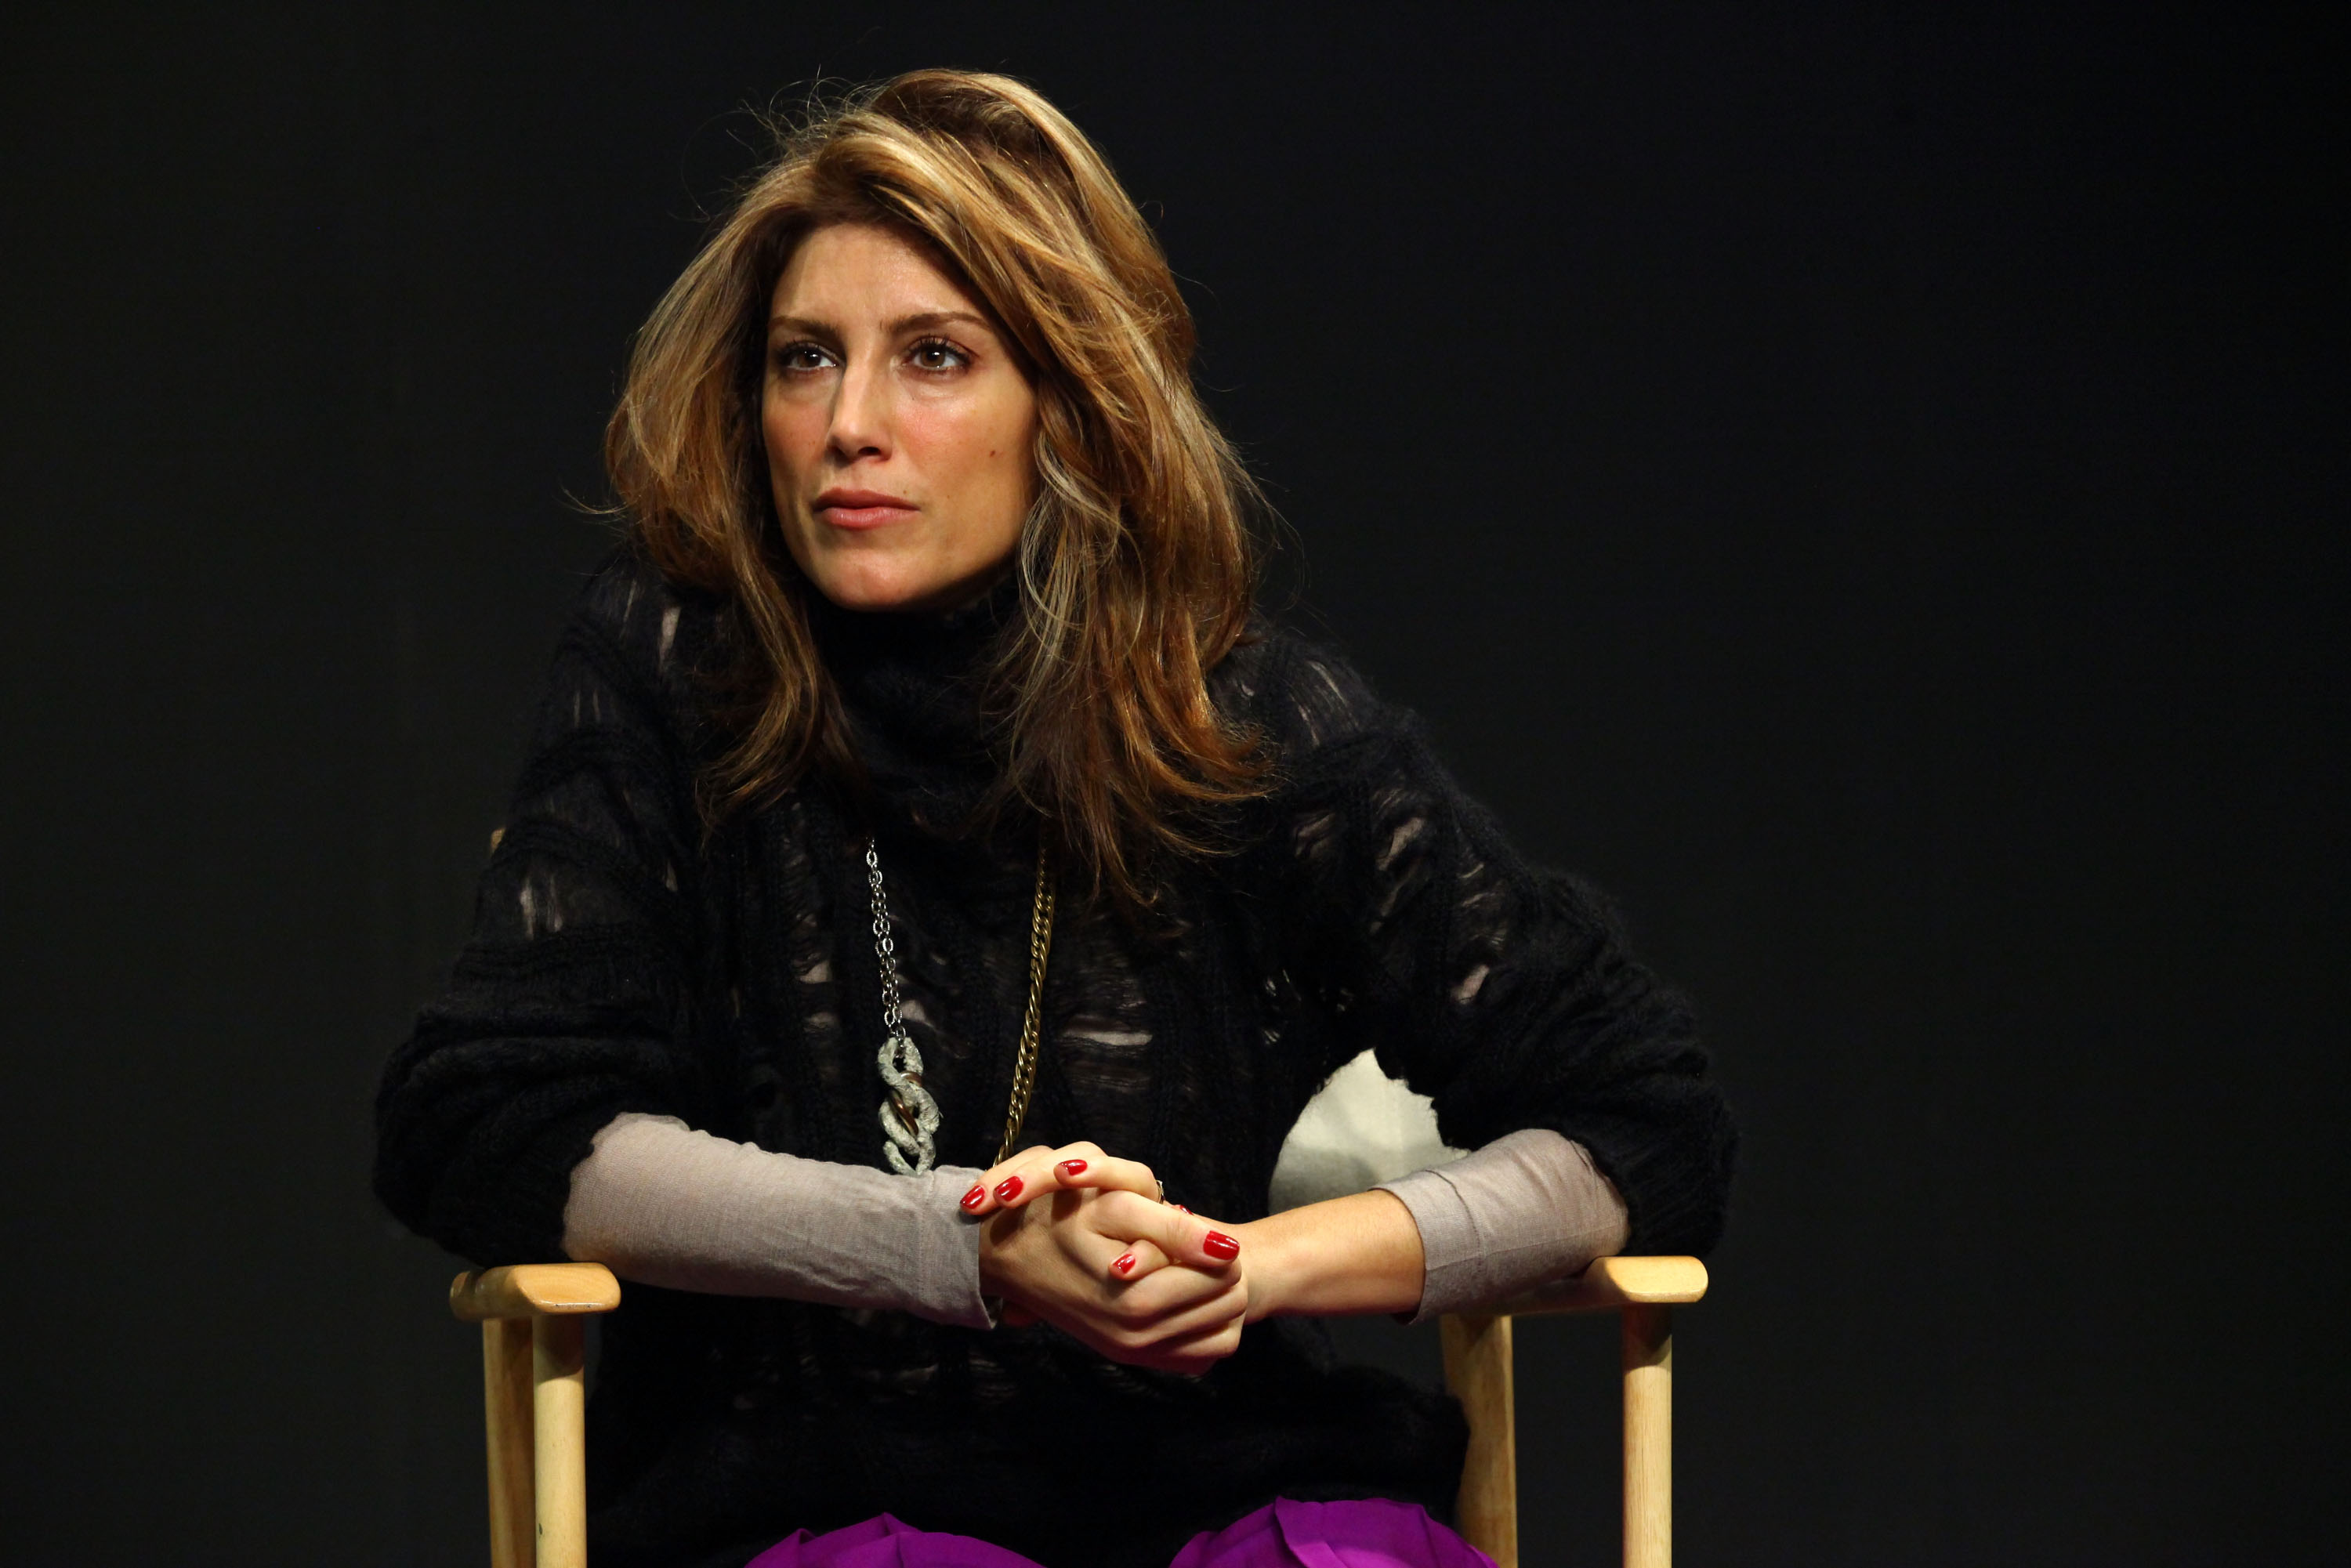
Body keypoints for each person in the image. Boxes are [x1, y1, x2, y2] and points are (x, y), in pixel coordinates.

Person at [374, 69, 1735, 1568]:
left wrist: (1258, 1266)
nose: (849, 424)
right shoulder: (676, 670)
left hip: (1206, 1480)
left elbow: (1643, 1113)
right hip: (813, 1498)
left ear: (1066, 407)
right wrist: (965, 1248)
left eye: (936, 358)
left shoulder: (1242, 720)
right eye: (804, 358)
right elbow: (486, 1122)